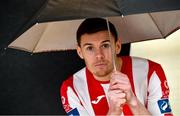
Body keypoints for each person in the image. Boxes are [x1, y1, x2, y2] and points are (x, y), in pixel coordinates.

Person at [60, 18, 173, 115]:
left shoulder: (150, 71)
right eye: (90, 48)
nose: (99, 55)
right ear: (80, 52)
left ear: (118, 46)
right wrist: (113, 112)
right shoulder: (71, 89)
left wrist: (133, 103)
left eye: (105, 45)